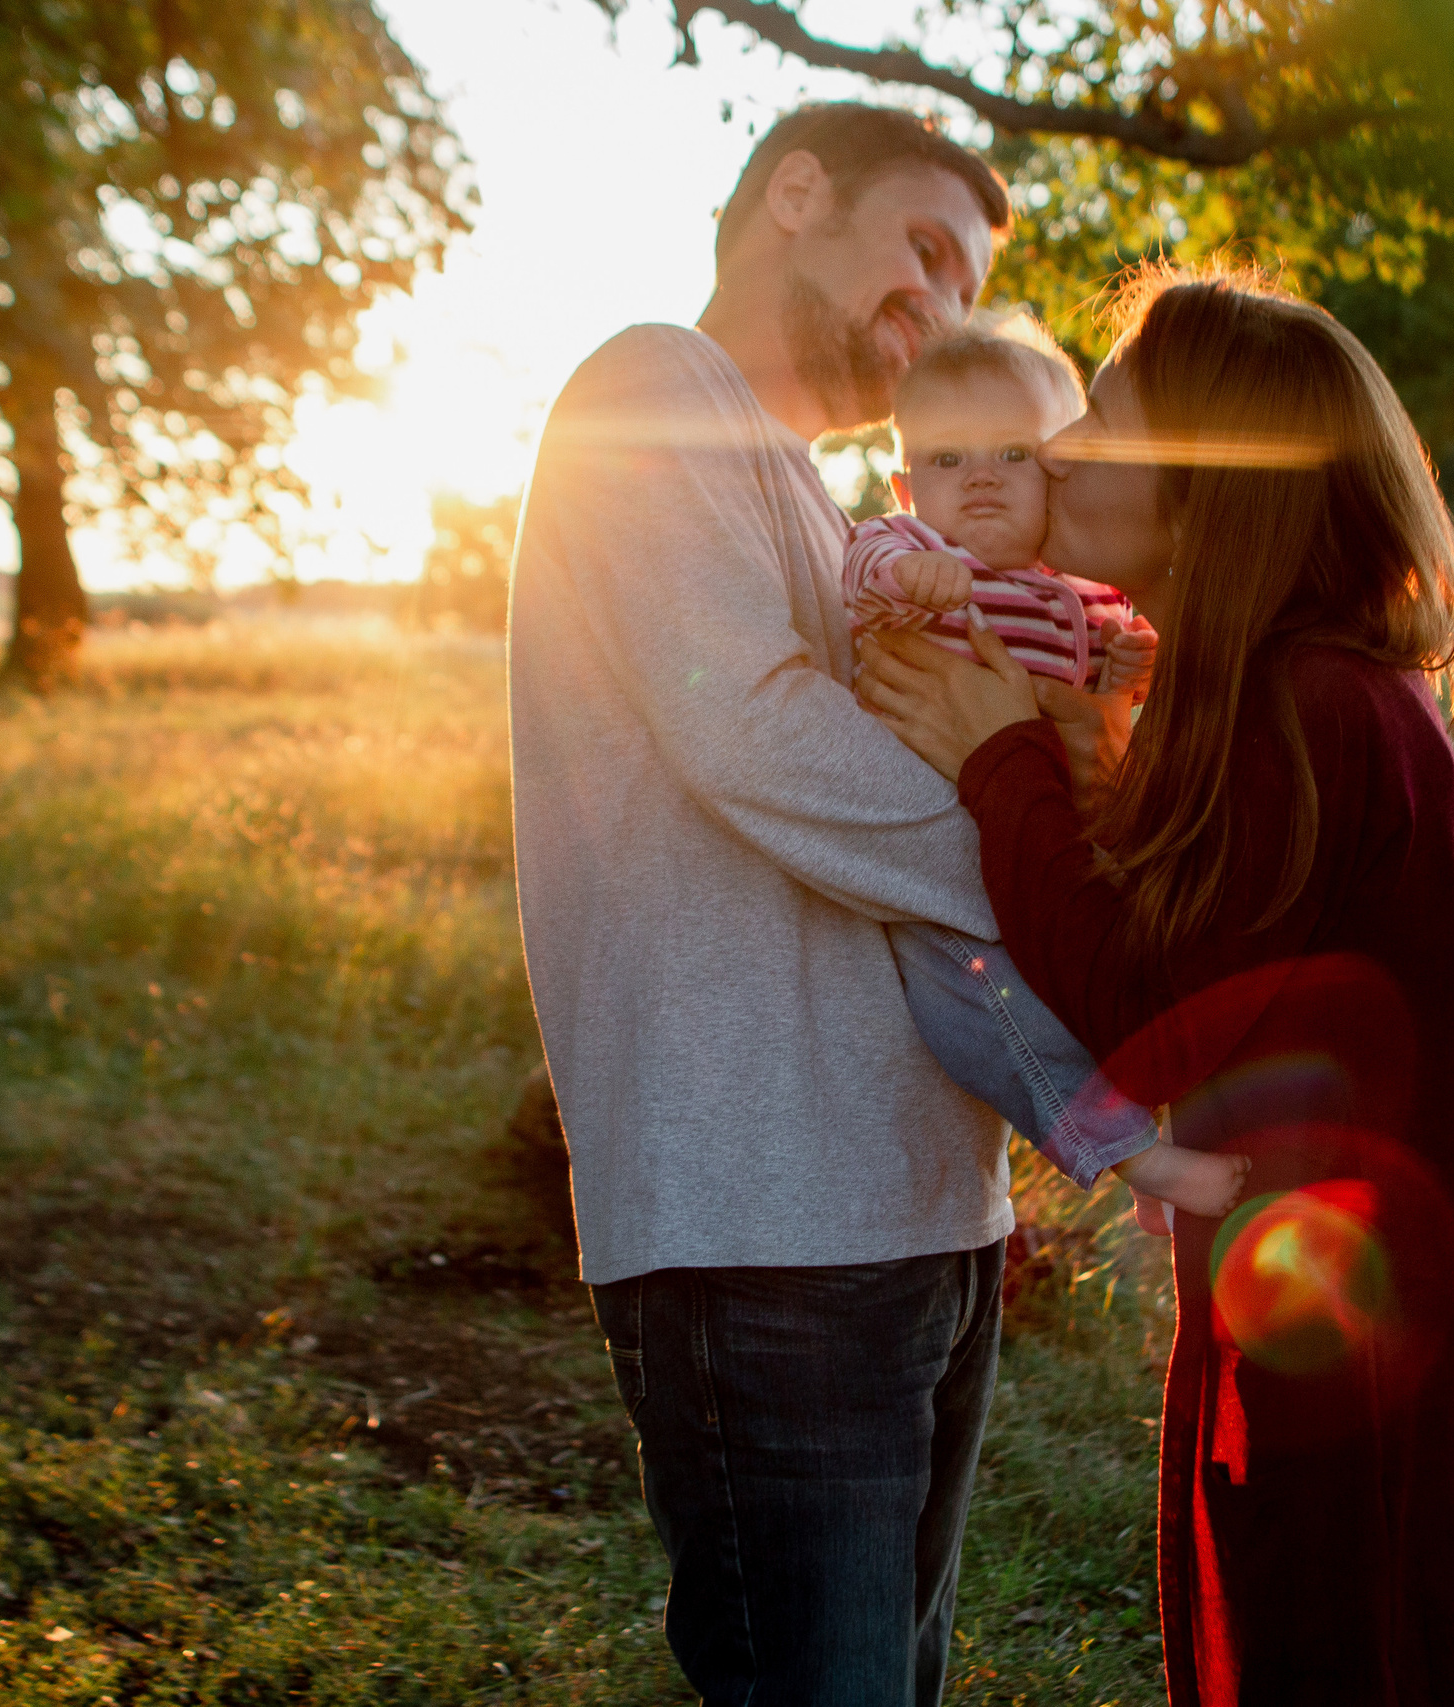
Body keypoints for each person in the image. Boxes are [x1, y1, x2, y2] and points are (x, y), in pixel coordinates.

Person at [856, 265, 1454, 1704]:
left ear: (1207, 492)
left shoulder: (1312, 712)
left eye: (1104, 423)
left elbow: (1149, 1015)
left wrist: (999, 756)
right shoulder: (1288, 691)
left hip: (1356, 1388)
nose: (1059, 454)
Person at [506, 104, 1014, 1707]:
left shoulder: (826, 500)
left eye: (970, 282)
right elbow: (752, 730)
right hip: (764, 1232)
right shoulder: (650, 390)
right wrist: (1041, 876)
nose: (942, 305)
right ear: (797, 193)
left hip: (922, 1211)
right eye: (925, 248)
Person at [845, 317, 1251, 1216]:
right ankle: (1133, 1157)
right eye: (946, 459)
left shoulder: (1088, 589)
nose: (980, 477)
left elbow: (1118, 675)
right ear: (907, 487)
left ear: (1057, 471)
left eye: (1013, 453)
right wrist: (908, 582)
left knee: (1114, 964)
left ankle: (1156, 1123)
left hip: (1055, 838)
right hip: (942, 856)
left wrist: (1132, 664)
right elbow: (863, 566)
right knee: (985, 1001)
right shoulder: (919, 553)